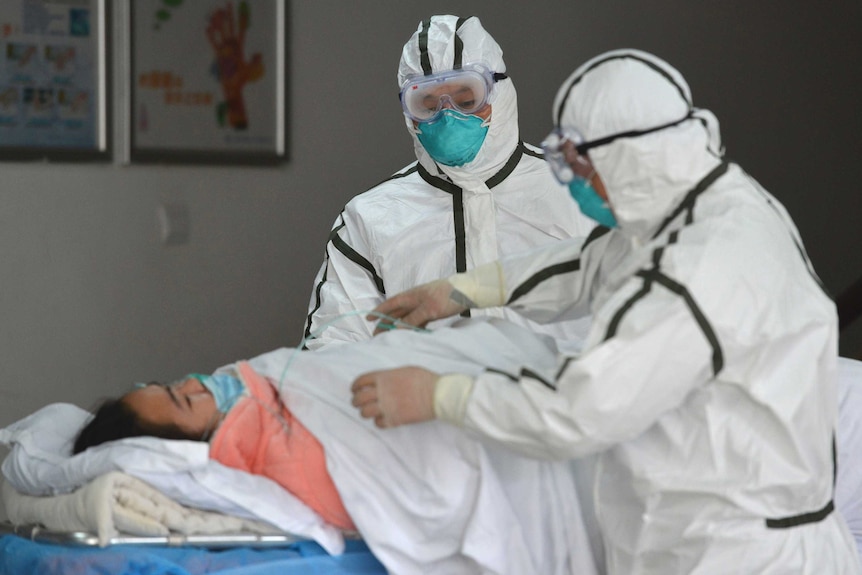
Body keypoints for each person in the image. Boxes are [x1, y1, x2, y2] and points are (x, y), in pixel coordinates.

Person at [350, 48, 862, 573]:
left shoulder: (693, 274)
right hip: (719, 533)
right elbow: (602, 259)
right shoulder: (712, 197)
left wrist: (438, 395)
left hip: (731, 554)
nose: (570, 179)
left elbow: (578, 412)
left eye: (576, 164)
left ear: (627, 159)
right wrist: (462, 292)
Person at [71, 317, 602, 574]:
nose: (194, 383)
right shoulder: (267, 449)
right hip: (519, 428)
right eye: (184, 402)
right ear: (196, 445)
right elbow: (410, 475)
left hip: (515, 362)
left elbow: (330, 367)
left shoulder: (262, 382)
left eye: (173, 384)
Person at [303, 14, 594, 353]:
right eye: (427, 104)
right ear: (409, 113)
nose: (448, 114)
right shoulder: (368, 220)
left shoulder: (581, 192)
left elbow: (643, 321)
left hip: (565, 404)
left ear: (500, 93)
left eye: (467, 99)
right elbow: (332, 350)